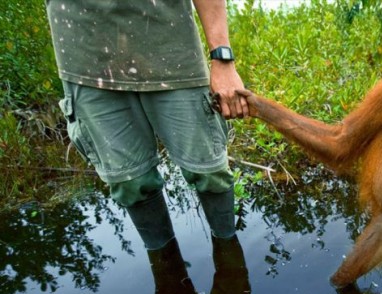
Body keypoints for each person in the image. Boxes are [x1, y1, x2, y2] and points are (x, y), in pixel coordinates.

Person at [45, 0, 249, 249]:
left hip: (172, 48)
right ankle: (166, 268)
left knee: (208, 169)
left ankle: (230, 254)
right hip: (83, 58)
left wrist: (222, 57)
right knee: (129, 181)